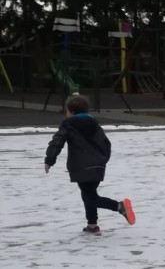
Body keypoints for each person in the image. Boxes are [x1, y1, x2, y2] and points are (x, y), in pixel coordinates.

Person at [44, 94, 136, 234]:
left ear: (71, 111)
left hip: (81, 167)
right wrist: (102, 160)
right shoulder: (95, 125)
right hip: (98, 166)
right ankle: (92, 225)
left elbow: (57, 142)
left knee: (90, 197)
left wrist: (49, 160)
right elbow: (106, 144)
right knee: (89, 194)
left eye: (67, 111)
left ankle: (119, 206)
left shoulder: (68, 125)